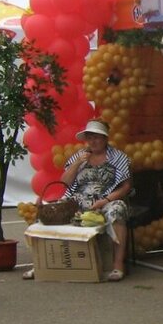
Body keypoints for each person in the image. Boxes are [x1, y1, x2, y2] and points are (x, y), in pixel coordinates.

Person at [23, 119, 132, 282]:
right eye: (90, 137)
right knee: (48, 213)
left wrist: (106, 200)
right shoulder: (79, 157)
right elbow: (65, 182)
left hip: (106, 198)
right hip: (78, 198)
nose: (93, 141)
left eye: (97, 137)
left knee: (117, 210)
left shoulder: (118, 158)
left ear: (105, 138)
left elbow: (125, 186)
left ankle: (118, 265)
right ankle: (40, 264)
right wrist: (78, 163)